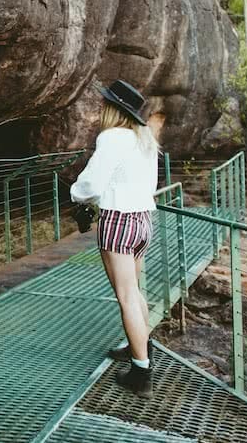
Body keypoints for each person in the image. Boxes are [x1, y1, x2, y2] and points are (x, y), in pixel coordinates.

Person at [70, 80, 160, 397]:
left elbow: (92, 185)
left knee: (126, 296)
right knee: (135, 291)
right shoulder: (144, 138)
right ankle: (139, 345)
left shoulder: (111, 138)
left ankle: (140, 372)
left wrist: (75, 195)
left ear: (113, 109)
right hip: (143, 221)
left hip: (119, 221)